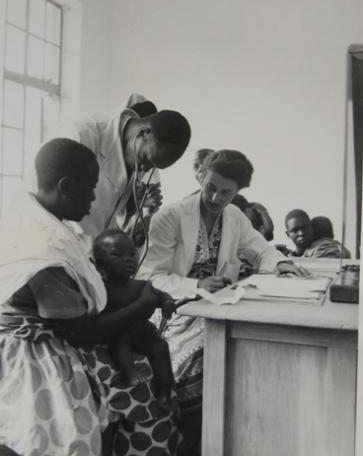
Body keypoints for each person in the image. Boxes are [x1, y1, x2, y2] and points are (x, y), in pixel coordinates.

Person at [0, 138, 180, 456]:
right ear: (66, 186)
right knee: (135, 392)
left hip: (57, 329)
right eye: (91, 188)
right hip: (34, 348)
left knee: (147, 365)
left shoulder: (42, 219)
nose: (95, 196)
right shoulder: (44, 246)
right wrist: (142, 305)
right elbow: (82, 333)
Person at [138, 149, 308, 455]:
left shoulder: (235, 216)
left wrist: (281, 264)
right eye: (210, 187)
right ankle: (193, 438)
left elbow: (260, 249)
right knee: (210, 355)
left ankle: (226, 437)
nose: (215, 197)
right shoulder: (171, 217)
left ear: (238, 192)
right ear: (202, 176)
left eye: (226, 192)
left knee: (244, 346)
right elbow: (151, 277)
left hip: (214, 309)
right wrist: (196, 284)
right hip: (175, 312)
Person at [74, 93, 191, 242]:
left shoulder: (140, 153)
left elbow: (112, 220)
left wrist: (135, 207)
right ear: (143, 133)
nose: (145, 170)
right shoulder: (84, 134)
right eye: (146, 160)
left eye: (153, 167)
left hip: (93, 253)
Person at [93, 228, 175, 408]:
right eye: (118, 254)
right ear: (100, 265)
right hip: (118, 334)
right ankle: (131, 374)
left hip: (142, 332)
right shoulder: (100, 288)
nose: (129, 259)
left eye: (132, 253)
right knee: (120, 341)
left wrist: (167, 303)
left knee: (161, 347)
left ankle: (165, 391)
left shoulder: (140, 285)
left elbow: (162, 296)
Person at [285, 209, 351, 258]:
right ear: (288, 234)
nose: (301, 233)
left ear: (312, 228)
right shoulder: (284, 257)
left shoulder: (326, 249)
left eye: (305, 228)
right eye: (295, 230)